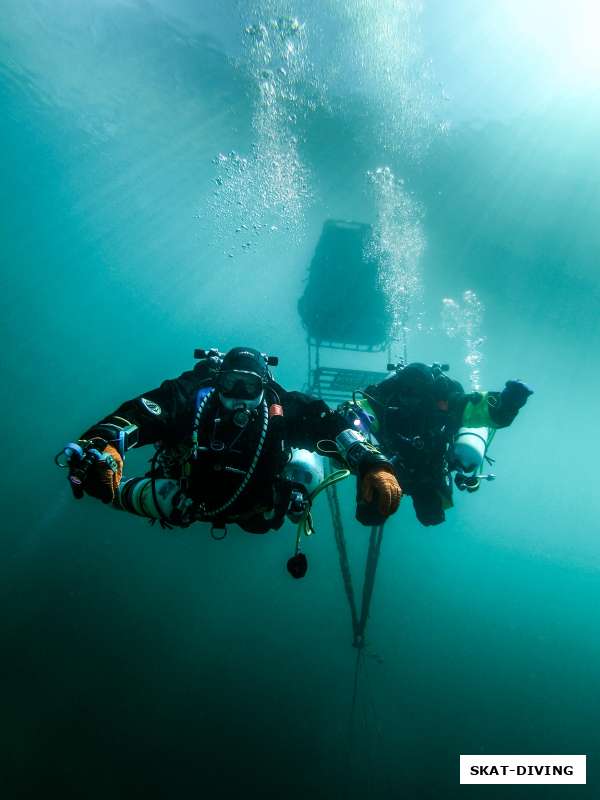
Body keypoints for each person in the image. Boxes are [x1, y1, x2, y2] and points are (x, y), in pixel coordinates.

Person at [58, 347, 401, 540]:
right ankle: (111, 483)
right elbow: (146, 412)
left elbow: (329, 423)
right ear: (217, 382)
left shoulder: (282, 409)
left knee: (262, 525)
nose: (240, 398)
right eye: (231, 385)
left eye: (249, 388)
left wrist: (372, 464)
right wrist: (106, 443)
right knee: (112, 491)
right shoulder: (191, 398)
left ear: (264, 389)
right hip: (185, 499)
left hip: (256, 507)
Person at [338, 362, 533, 526]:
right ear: (399, 389)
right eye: (407, 392)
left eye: (417, 393)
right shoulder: (382, 400)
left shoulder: (445, 402)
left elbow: (476, 409)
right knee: (369, 516)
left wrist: (508, 404)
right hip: (387, 466)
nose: (411, 399)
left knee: (431, 517)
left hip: (428, 470)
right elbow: (352, 417)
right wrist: (349, 434)